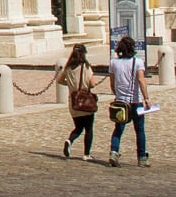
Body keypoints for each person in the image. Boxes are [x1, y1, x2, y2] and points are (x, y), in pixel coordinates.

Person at [106, 35, 150, 166]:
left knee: (118, 128)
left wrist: (118, 95)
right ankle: (142, 157)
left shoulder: (113, 63)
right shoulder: (137, 62)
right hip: (136, 101)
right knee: (140, 130)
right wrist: (146, 98)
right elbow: (141, 81)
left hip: (121, 101)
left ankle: (114, 152)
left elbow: (112, 83)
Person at [55, 43, 99, 159]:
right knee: (88, 128)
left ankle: (69, 140)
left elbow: (59, 80)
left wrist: (69, 84)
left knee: (78, 127)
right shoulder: (86, 67)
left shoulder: (68, 67)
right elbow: (93, 84)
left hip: (73, 102)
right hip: (86, 102)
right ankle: (86, 154)